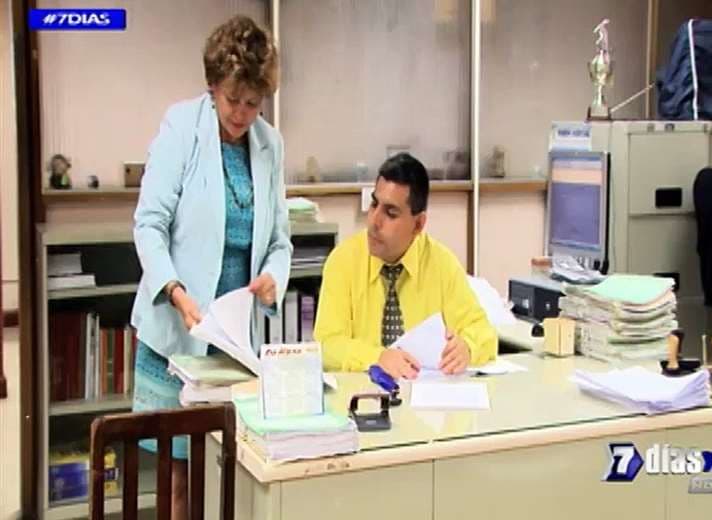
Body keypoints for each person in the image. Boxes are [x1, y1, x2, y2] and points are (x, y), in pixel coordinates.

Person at [130, 15, 291, 519]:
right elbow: (149, 224)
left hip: (232, 342)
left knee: (230, 471)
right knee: (178, 480)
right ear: (212, 86)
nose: (242, 113)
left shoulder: (270, 145)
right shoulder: (183, 127)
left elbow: (280, 242)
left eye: (253, 102)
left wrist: (274, 278)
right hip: (177, 335)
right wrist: (175, 291)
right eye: (233, 99)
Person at [314, 153, 497, 378]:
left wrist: (467, 347)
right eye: (374, 204)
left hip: (426, 393)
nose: (374, 221)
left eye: (390, 213)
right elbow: (327, 345)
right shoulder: (343, 261)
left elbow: (483, 332)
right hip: (361, 392)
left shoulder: (441, 263)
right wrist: (377, 357)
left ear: (418, 224)